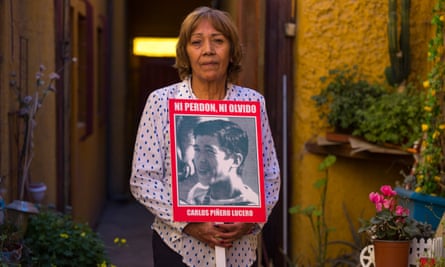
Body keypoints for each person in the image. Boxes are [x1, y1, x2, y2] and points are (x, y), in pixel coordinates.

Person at [130, 6, 280, 267]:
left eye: (218, 41)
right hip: (177, 246)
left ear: (231, 51)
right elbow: (143, 178)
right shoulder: (161, 102)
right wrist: (188, 223)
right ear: (186, 53)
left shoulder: (252, 103)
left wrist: (250, 221)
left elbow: (270, 175)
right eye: (197, 42)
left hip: (239, 250)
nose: (208, 50)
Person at [187, 119, 259, 206]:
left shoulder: (251, 205)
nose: (201, 159)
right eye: (197, 150)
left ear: (236, 160)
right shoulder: (196, 195)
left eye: (210, 151)